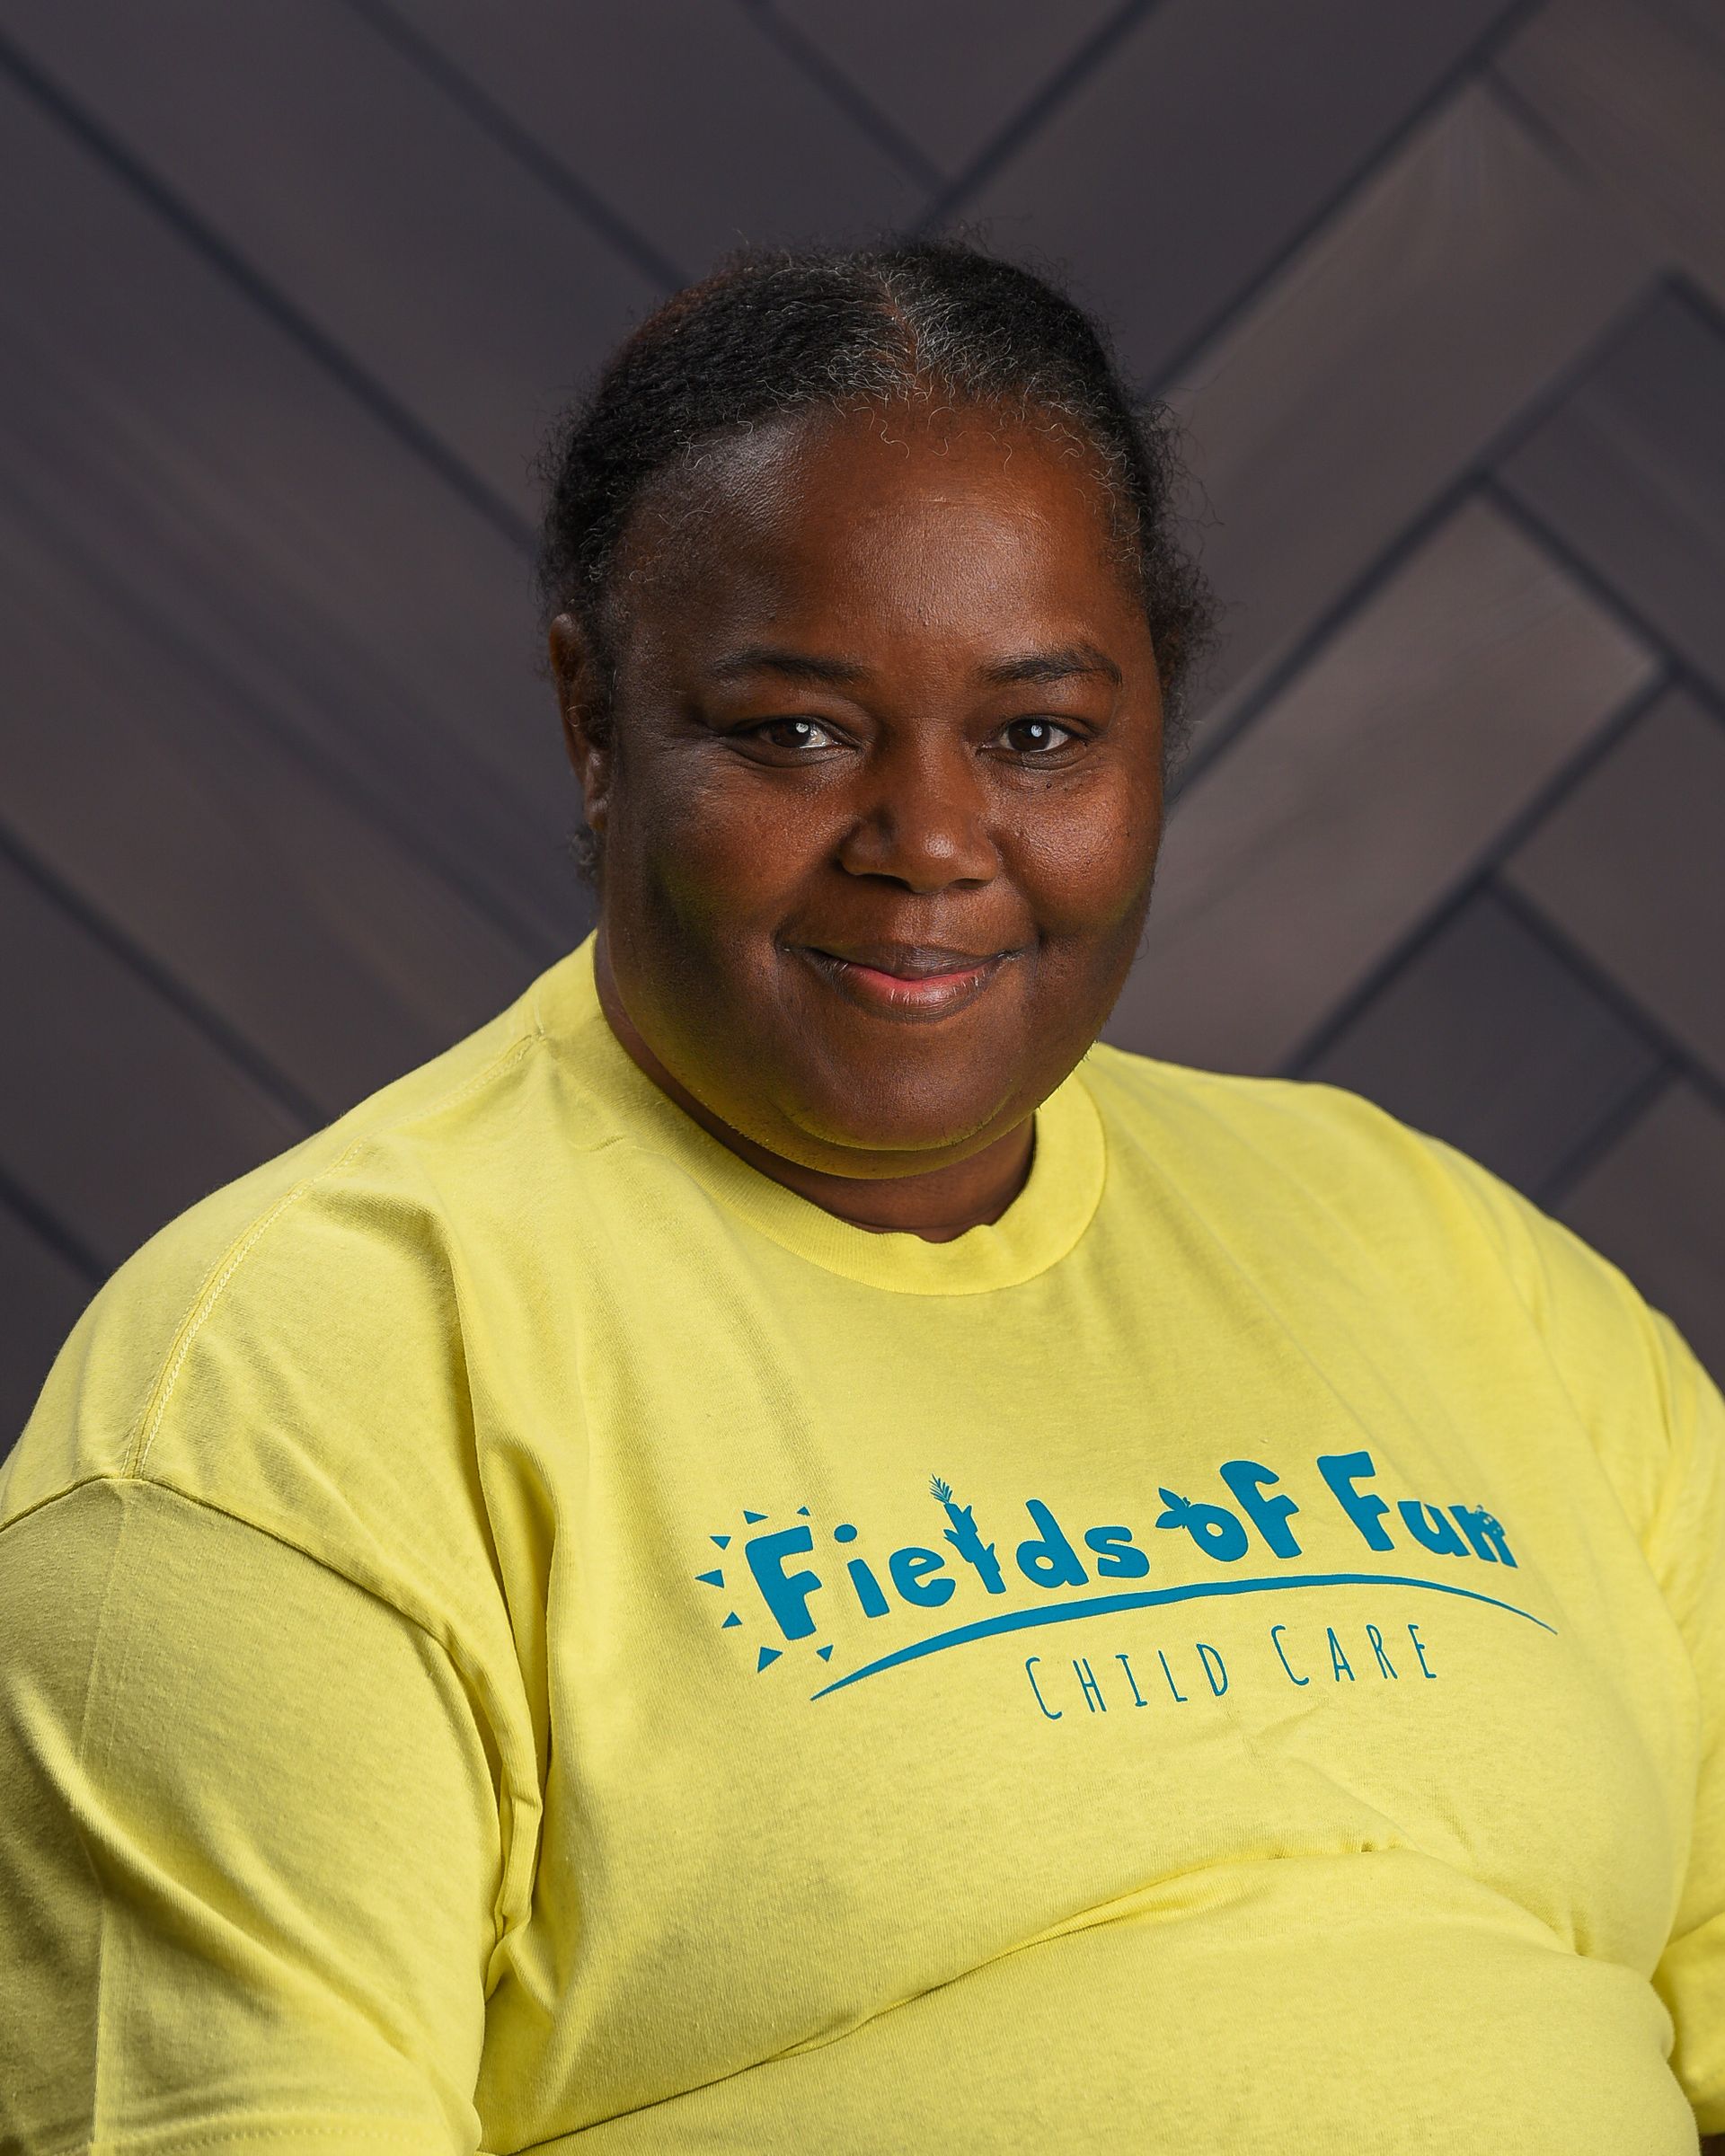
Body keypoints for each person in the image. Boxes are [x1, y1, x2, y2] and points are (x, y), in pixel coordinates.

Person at [1, 237, 1720, 2154]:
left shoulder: (1446, 1261)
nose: (928, 843)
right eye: (795, 733)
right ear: (595, 722)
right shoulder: (291, 1397)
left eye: (1038, 735)